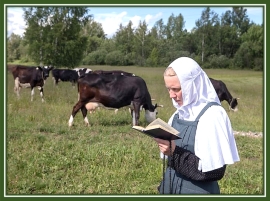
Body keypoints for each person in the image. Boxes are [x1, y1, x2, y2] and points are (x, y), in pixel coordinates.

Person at [154, 57, 240, 194]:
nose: (171, 95)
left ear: (193, 85)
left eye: (176, 89)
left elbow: (214, 172)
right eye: (168, 89)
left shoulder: (213, 115)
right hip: (171, 187)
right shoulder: (178, 114)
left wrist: (174, 152)